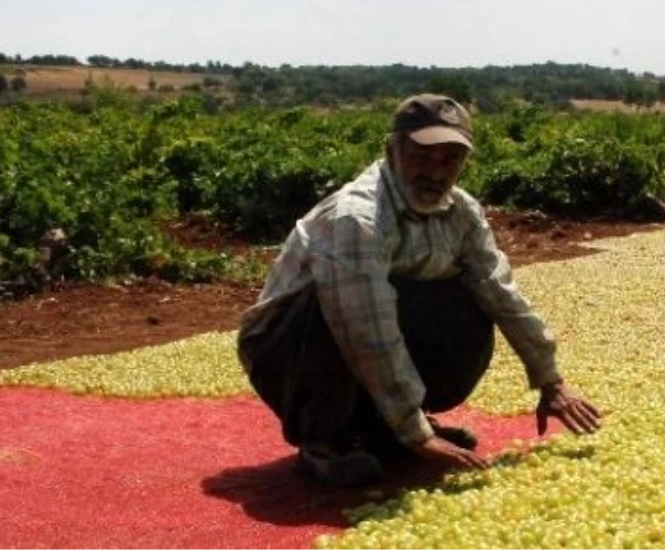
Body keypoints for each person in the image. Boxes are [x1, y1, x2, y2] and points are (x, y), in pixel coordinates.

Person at [237, 94, 601, 486]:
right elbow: (366, 329)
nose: (436, 171)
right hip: (287, 347)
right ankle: (325, 439)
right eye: (423, 156)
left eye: (450, 159)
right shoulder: (357, 217)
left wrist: (550, 380)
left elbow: (501, 291)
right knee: (339, 305)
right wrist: (415, 431)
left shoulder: (462, 212)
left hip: (361, 333)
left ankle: (382, 428)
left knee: (468, 295)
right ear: (392, 150)